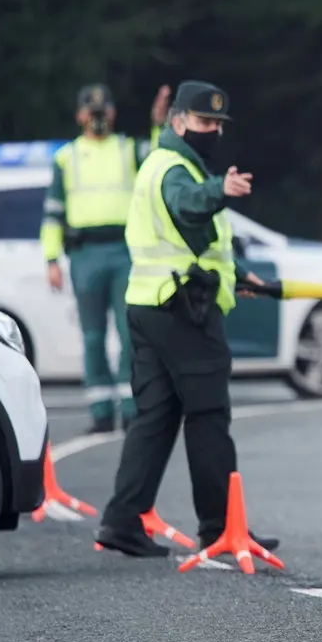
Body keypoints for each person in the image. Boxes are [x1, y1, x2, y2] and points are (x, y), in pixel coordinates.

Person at [95, 80, 279, 558]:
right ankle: (221, 526)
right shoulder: (176, 171)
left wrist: (236, 274)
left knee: (155, 417)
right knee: (209, 414)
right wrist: (220, 188)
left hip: (149, 304)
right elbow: (188, 205)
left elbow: (193, 240)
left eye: (217, 123)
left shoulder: (164, 162)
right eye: (203, 122)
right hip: (182, 310)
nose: (212, 130)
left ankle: (121, 520)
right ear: (177, 121)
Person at [42, 83, 171, 434]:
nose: (97, 118)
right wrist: (51, 259)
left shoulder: (128, 149)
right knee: (93, 337)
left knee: (130, 332)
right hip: (85, 254)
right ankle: (101, 411)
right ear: (80, 116)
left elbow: (161, 159)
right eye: (91, 112)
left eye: (103, 112)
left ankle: (132, 407)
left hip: (123, 250)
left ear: (112, 113)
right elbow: (53, 212)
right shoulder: (66, 158)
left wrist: (158, 124)